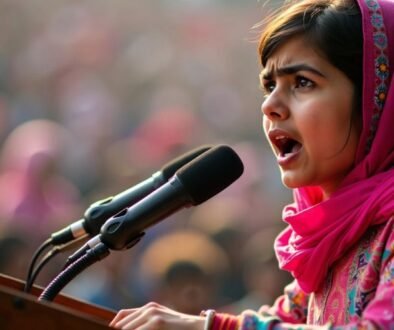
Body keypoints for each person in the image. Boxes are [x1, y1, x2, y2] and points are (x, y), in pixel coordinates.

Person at [109, 0, 394, 328]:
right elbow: (286, 318)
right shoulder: (335, 232)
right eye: (269, 86)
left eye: (302, 82)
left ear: (379, 96)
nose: (270, 106)